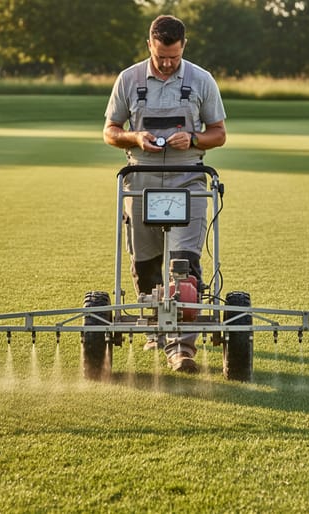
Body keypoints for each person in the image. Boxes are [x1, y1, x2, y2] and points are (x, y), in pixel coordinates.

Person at [103, 14, 227, 373]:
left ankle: (181, 348)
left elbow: (218, 133)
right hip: (140, 177)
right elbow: (110, 131)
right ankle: (154, 328)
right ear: (149, 46)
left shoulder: (202, 80)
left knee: (184, 265)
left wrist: (193, 138)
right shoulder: (128, 79)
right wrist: (134, 137)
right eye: (161, 57)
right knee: (145, 264)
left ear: (183, 46)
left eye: (173, 56)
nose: (168, 63)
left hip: (188, 179)